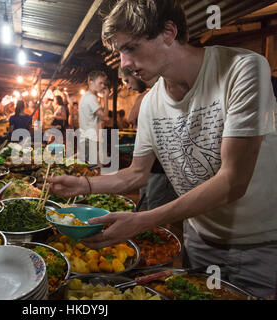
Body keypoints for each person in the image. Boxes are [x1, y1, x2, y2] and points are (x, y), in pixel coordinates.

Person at [47, 0, 277, 298]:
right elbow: (137, 174)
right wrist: (84, 184)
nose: (124, 63)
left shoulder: (240, 70)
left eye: (130, 48)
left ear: (169, 32)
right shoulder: (151, 104)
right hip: (199, 242)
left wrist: (144, 220)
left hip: (258, 246)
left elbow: (233, 181)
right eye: (119, 53)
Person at [119, 67, 178, 210]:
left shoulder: (157, 94)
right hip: (150, 165)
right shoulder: (151, 95)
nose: (127, 86)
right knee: (145, 205)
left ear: (136, 72)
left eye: (127, 80)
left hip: (162, 168)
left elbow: (131, 117)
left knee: (156, 210)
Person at [78, 70, 110, 164]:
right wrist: (106, 98)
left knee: (90, 169)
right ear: (91, 82)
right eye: (100, 83)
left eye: (104, 83)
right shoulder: (91, 98)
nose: (103, 86)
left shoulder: (86, 97)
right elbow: (105, 117)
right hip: (91, 139)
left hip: (87, 138)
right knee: (95, 170)